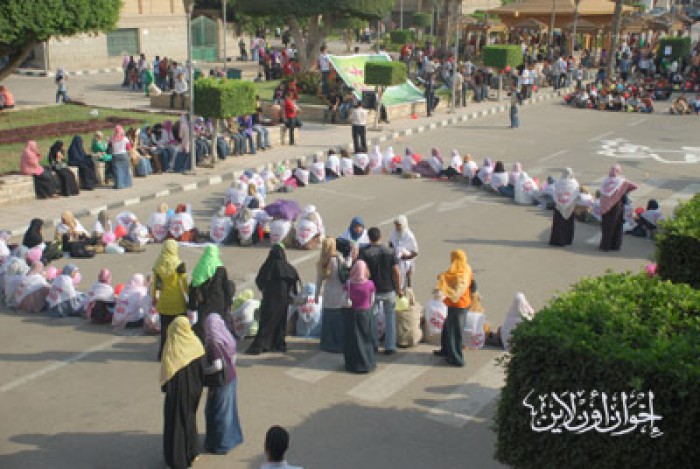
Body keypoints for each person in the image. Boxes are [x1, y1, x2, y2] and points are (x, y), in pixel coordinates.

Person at [160, 316, 205, 469]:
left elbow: (166, 373)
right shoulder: (195, 344)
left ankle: (176, 459)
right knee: (190, 420)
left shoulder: (171, 347)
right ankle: (192, 452)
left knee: (175, 424)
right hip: (193, 391)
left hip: (176, 394)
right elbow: (202, 369)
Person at [246, 244, 300, 355]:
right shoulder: (287, 268)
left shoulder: (267, 267)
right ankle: (278, 344)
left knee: (267, 322)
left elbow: (259, 281)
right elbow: (294, 280)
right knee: (280, 323)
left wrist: (265, 290)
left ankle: (262, 345)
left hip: (269, 300)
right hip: (283, 301)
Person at [203, 313, 244, 454]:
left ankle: (221, 444)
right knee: (229, 411)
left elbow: (217, 366)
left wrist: (204, 371)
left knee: (217, 412)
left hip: (221, 381)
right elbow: (233, 357)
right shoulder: (226, 337)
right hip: (231, 377)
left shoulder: (213, 342)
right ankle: (233, 438)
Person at [359, 227, 402, 355]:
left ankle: (374, 344)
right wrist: (399, 288)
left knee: (373, 317)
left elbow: (364, 272)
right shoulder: (390, 251)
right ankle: (390, 346)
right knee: (390, 318)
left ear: (369, 238)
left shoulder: (365, 252)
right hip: (389, 289)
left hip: (373, 290)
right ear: (380, 237)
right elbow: (396, 272)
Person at [433, 250, 473, 367]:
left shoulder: (463, 273)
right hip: (456, 305)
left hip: (459, 305)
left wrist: (443, 279)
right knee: (447, 328)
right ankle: (445, 350)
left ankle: (457, 358)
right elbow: (450, 275)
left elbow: (456, 285)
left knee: (454, 332)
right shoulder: (463, 268)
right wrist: (443, 276)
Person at [188, 245, 234, 342]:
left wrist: (192, 306)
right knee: (217, 324)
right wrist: (228, 303)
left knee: (204, 326)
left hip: (204, 302)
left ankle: (204, 344)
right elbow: (226, 287)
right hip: (219, 302)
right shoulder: (221, 268)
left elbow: (193, 286)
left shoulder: (200, 267)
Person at [152, 240, 189, 359]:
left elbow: (156, 285)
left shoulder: (158, 264)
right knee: (179, 330)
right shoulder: (179, 264)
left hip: (164, 302)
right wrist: (189, 298)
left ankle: (162, 353)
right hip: (178, 302)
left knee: (164, 330)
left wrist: (154, 297)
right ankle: (178, 353)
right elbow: (184, 284)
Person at [316, 239, 351, 353]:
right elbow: (348, 266)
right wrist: (350, 255)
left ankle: (327, 343)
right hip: (340, 292)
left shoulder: (322, 261)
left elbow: (319, 281)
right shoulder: (338, 258)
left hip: (328, 293)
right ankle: (338, 344)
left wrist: (316, 296)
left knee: (328, 320)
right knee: (339, 320)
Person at [343, 260, 377, 373]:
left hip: (352, 313)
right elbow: (372, 300)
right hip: (365, 313)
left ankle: (353, 364)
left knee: (353, 339)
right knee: (366, 338)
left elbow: (344, 298)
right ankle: (368, 363)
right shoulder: (370, 284)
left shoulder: (349, 283)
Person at [599, 165, 637, 252]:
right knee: (617, 226)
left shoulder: (605, 180)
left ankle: (605, 245)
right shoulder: (622, 181)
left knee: (606, 226)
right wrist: (625, 188)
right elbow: (635, 186)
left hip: (605, 206)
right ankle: (615, 245)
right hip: (617, 206)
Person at [549, 168, 580, 247]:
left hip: (559, 205)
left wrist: (559, 201)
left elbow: (554, 193)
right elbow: (576, 194)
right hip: (570, 206)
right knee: (568, 223)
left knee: (559, 223)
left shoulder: (558, 182)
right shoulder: (574, 183)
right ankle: (567, 239)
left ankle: (557, 240)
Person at [388, 215, 418, 290]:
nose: (397, 227)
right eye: (396, 225)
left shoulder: (409, 236)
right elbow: (391, 244)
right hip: (396, 261)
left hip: (407, 264)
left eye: (399, 225)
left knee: (406, 285)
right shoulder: (394, 233)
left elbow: (415, 252)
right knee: (396, 281)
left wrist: (404, 256)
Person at [110, 125, 132, 189]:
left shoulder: (112, 139)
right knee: (125, 169)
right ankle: (126, 183)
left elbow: (110, 147)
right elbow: (128, 148)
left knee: (117, 171)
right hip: (124, 155)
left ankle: (118, 185)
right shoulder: (125, 139)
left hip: (115, 155)